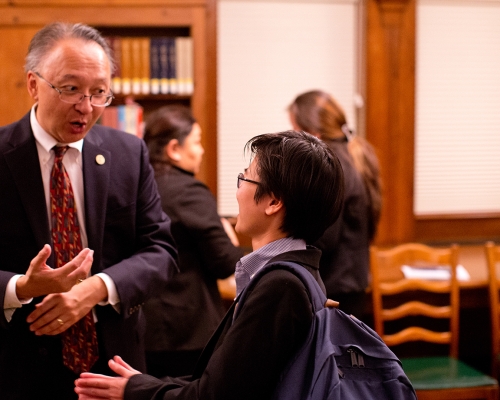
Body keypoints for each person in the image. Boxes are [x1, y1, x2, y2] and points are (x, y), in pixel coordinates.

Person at [74, 129, 345, 400]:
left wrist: (136, 391)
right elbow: (224, 380)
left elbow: (213, 395)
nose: (238, 190)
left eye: (245, 178)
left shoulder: (281, 286)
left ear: (273, 202)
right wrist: (140, 383)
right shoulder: (295, 273)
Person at [0, 22, 178, 399]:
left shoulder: (128, 153)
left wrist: (96, 289)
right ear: (33, 84)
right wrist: (20, 287)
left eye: (99, 92)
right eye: (70, 89)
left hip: (113, 367)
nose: (86, 106)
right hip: (16, 366)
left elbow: (160, 252)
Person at [142, 105, 243, 378]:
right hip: (187, 328)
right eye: (197, 142)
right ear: (174, 149)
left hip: (142, 325)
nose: (202, 150)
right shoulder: (189, 191)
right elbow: (224, 262)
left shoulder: (137, 185)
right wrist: (245, 246)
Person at [288, 89, 382, 317]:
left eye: (295, 130)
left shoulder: (330, 163)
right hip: (352, 281)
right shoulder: (351, 153)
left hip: (335, 286)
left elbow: (326, 236)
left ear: (313, 133)